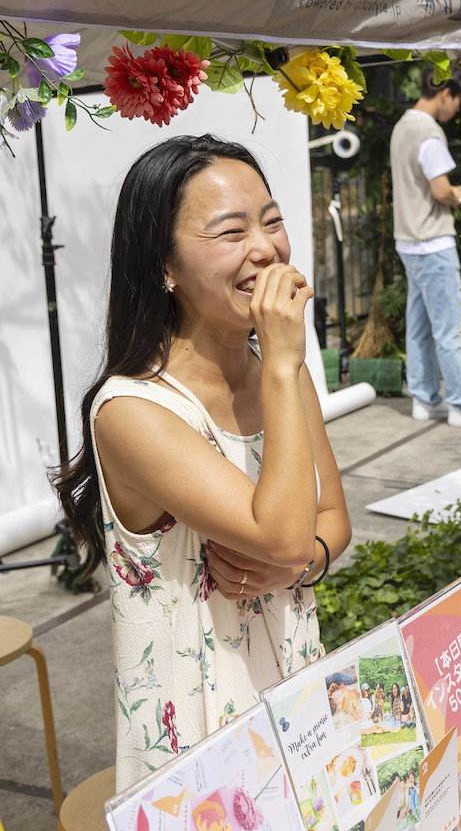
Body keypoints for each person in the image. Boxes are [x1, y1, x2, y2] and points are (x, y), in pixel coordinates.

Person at [52, 134, 352, 788]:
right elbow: (280, 530)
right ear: (164, 265)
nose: (266, 247)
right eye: (230, 231)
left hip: (296, 701)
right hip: (202, 746)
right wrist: (280, 361)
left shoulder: (281, 370)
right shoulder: (131, 409)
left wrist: (300, 565)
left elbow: (330, 518)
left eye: (271, 220)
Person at [390, 64, 461, 429]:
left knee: (421, 324)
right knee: (453, 325)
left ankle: (425, 400)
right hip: (431, 241)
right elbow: (441, 191)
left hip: (408, 240)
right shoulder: (429, 131)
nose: (456, 109)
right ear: (446, 93)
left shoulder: (401, 126)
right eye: (458, 100)